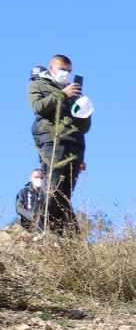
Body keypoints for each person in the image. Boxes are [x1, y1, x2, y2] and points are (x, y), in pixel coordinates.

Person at [27, 56, 90, 233]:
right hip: (52, 141)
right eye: (62, 69)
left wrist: (84, 110)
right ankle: (44, 230)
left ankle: (63, 234)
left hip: (75, 145)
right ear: (51, 67)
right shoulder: (38, 85)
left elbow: (83, 128)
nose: (66, 74)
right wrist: (62, 94)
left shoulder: (73, 91)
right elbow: (39, 107)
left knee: (65, 193)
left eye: (69, 71)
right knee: (53, 187)